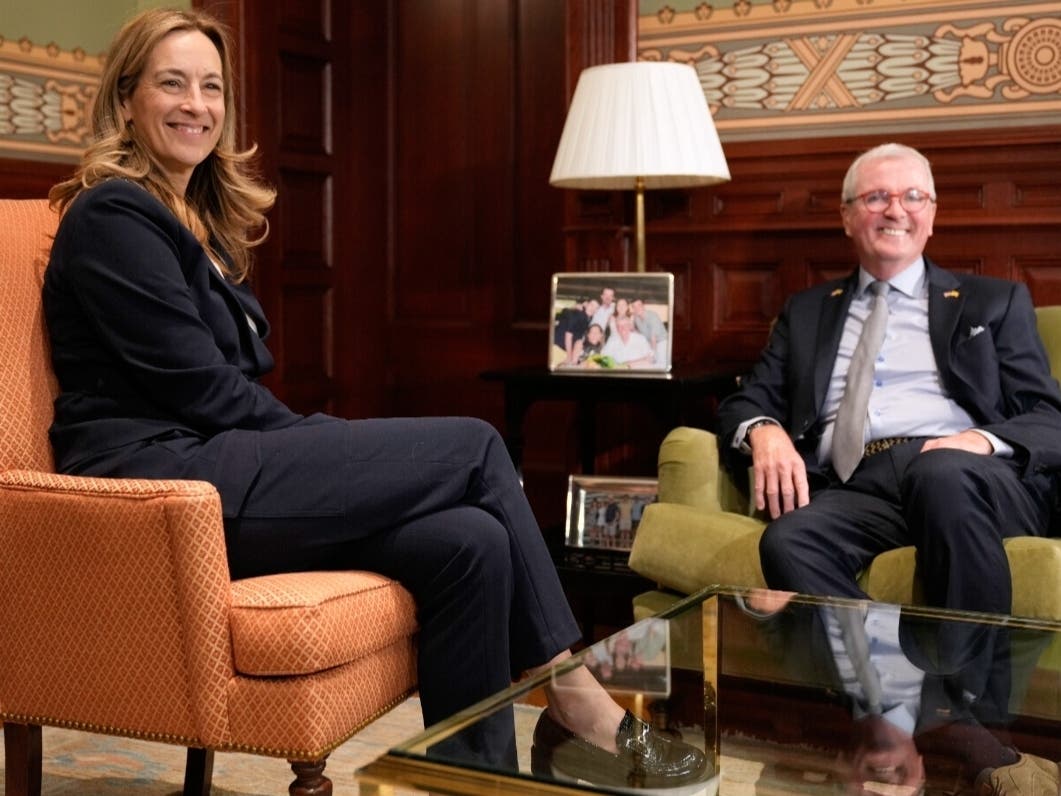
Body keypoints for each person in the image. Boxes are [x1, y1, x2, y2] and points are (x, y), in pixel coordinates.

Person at [41, 8, 708, 788]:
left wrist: (308, 442)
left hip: (217, 464)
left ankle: (476, 781)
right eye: (172, 84)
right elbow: (200, 388)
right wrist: (313, 438)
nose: (197, 104)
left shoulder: (198, 221)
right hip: (160, 484)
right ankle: (574, 692)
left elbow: (220, 391)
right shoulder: (114, 214)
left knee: (471, 543)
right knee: (473, 442)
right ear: (126, 99)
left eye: (212, 87)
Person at [718, 142, 1061, 790]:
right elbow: (748, 397)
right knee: (789, 537)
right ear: (847, 216)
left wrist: (978, 442)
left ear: (931, 215)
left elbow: (1048, 416)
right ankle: (946, 723)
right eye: (875, 197)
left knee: (939, 474)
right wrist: (762, 432)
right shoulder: (806, 311)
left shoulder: (992, 301)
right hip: (858, 484)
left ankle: (975, 722)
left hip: (968, 473)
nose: (893, 210)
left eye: (910, 197)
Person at [553, 296, 599, 367]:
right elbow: (568, 335)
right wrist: (569, 356)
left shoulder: (586, 319)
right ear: (586, 304)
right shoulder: (579, 315)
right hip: (557, 347)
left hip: (562, 349)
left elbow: (578, 338)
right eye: (592, 305)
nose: (593, 309)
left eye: (596, 308)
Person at [631, 297, 668, 367]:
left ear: (643, 306)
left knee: (661, 364)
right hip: (650, 343)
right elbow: (640, 333)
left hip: (662, 342)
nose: (637, 308)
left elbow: (653, 338)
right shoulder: (636, 318)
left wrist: (652, 354)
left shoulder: (652, 316)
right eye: (634, 307)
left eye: (639, 305)